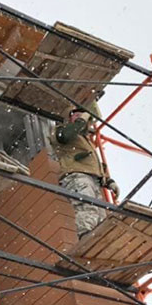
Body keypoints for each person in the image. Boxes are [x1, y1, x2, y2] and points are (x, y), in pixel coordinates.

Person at [53, 101, 118, 238]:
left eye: (81, 116)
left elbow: (93, 166)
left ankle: (98, 241)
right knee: (87, 207)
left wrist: (108, 181)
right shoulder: (64, 131)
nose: (79, 118)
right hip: (77, 176)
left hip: (92, 180)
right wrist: (82, 119)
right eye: (75, 115)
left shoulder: (85, 141)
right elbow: (64, 136)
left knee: (100, 216)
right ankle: (86, 236)